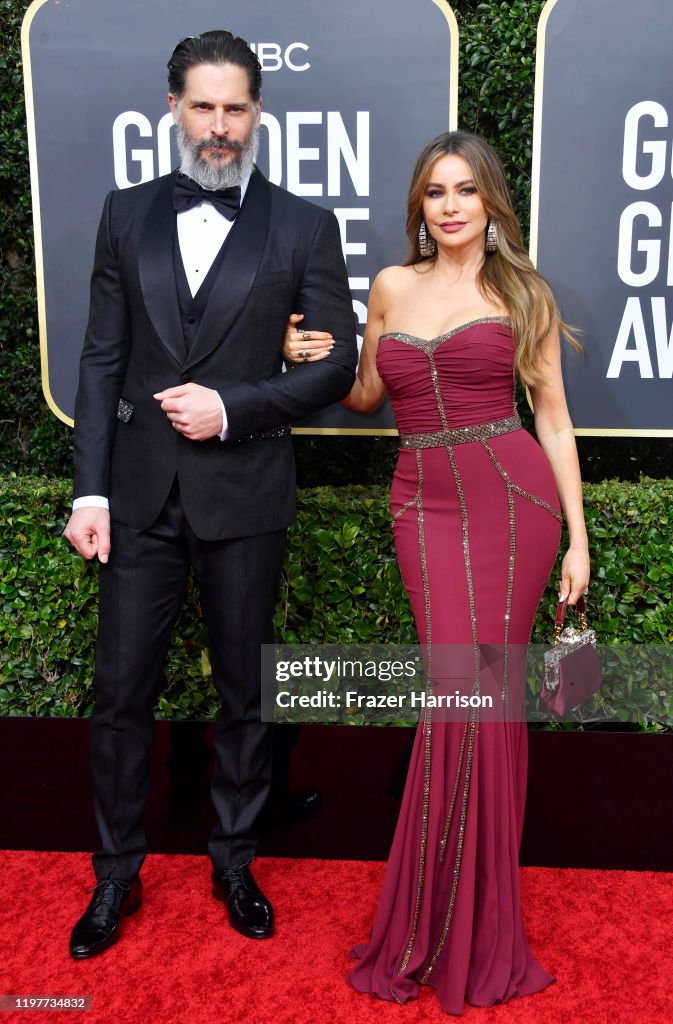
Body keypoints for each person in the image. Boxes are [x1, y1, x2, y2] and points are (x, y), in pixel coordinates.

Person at [63, 29, 356, 958]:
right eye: (204, 107)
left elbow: (336, 362)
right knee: (120, 695)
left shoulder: (303, 224)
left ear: (257, 113)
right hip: (139, 496)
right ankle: (115, 877)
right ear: (174, 109)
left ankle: (234, 859)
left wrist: (233, 405)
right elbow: (102, 356)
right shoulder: (125, 214)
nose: (220, 126)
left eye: (236, 108)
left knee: (245, 691)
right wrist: (91, 492)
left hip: (245, 489)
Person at [283, 130, 590, 1013]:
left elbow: (555, 421)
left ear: (490, 200)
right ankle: (433, 915)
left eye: (463, 190)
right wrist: (312, 359)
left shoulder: (520, 291)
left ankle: (470, 924)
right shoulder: (389, 287)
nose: (448, 206)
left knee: (477, 703)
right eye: (432, 193)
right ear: (418, 206)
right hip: (421, 502)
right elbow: (369, 396)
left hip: (511, 498)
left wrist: (577, 537)